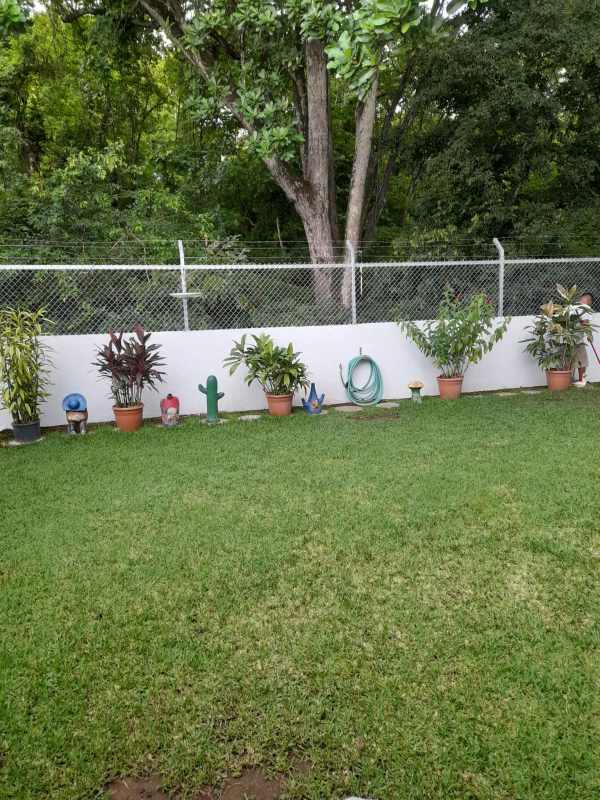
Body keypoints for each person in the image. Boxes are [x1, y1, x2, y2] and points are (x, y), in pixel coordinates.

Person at [573, 291, 594, 387]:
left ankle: (566, 381)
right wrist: (590, 335)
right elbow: (585, 322)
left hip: (567, 338)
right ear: (588, 299)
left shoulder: (572, 307)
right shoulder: (585, 308)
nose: (590, 304)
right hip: (577, 340)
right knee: (583, 360)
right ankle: (582, 380)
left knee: (569, 360)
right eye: (590, 301)